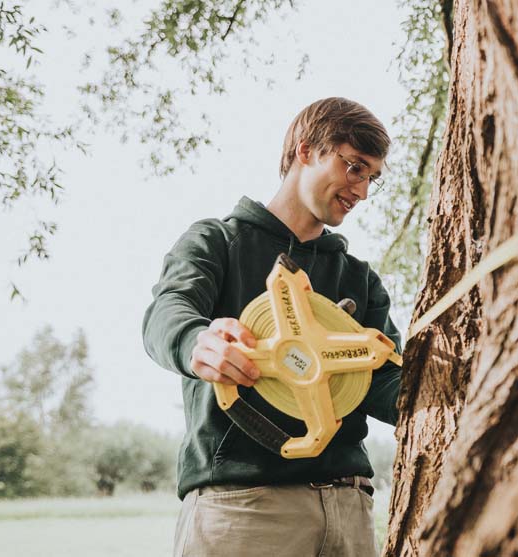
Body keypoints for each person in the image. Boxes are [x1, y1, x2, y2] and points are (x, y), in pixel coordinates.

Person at [142, 97, 402, 557]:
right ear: (306, 150)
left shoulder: (360, 280)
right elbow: (169, 310)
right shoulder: (217, 243)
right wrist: (194, 342)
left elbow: (386, 385)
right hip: (243, 508)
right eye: (355, 168)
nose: (361, 191)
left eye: (371, 178)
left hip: (350, 508)